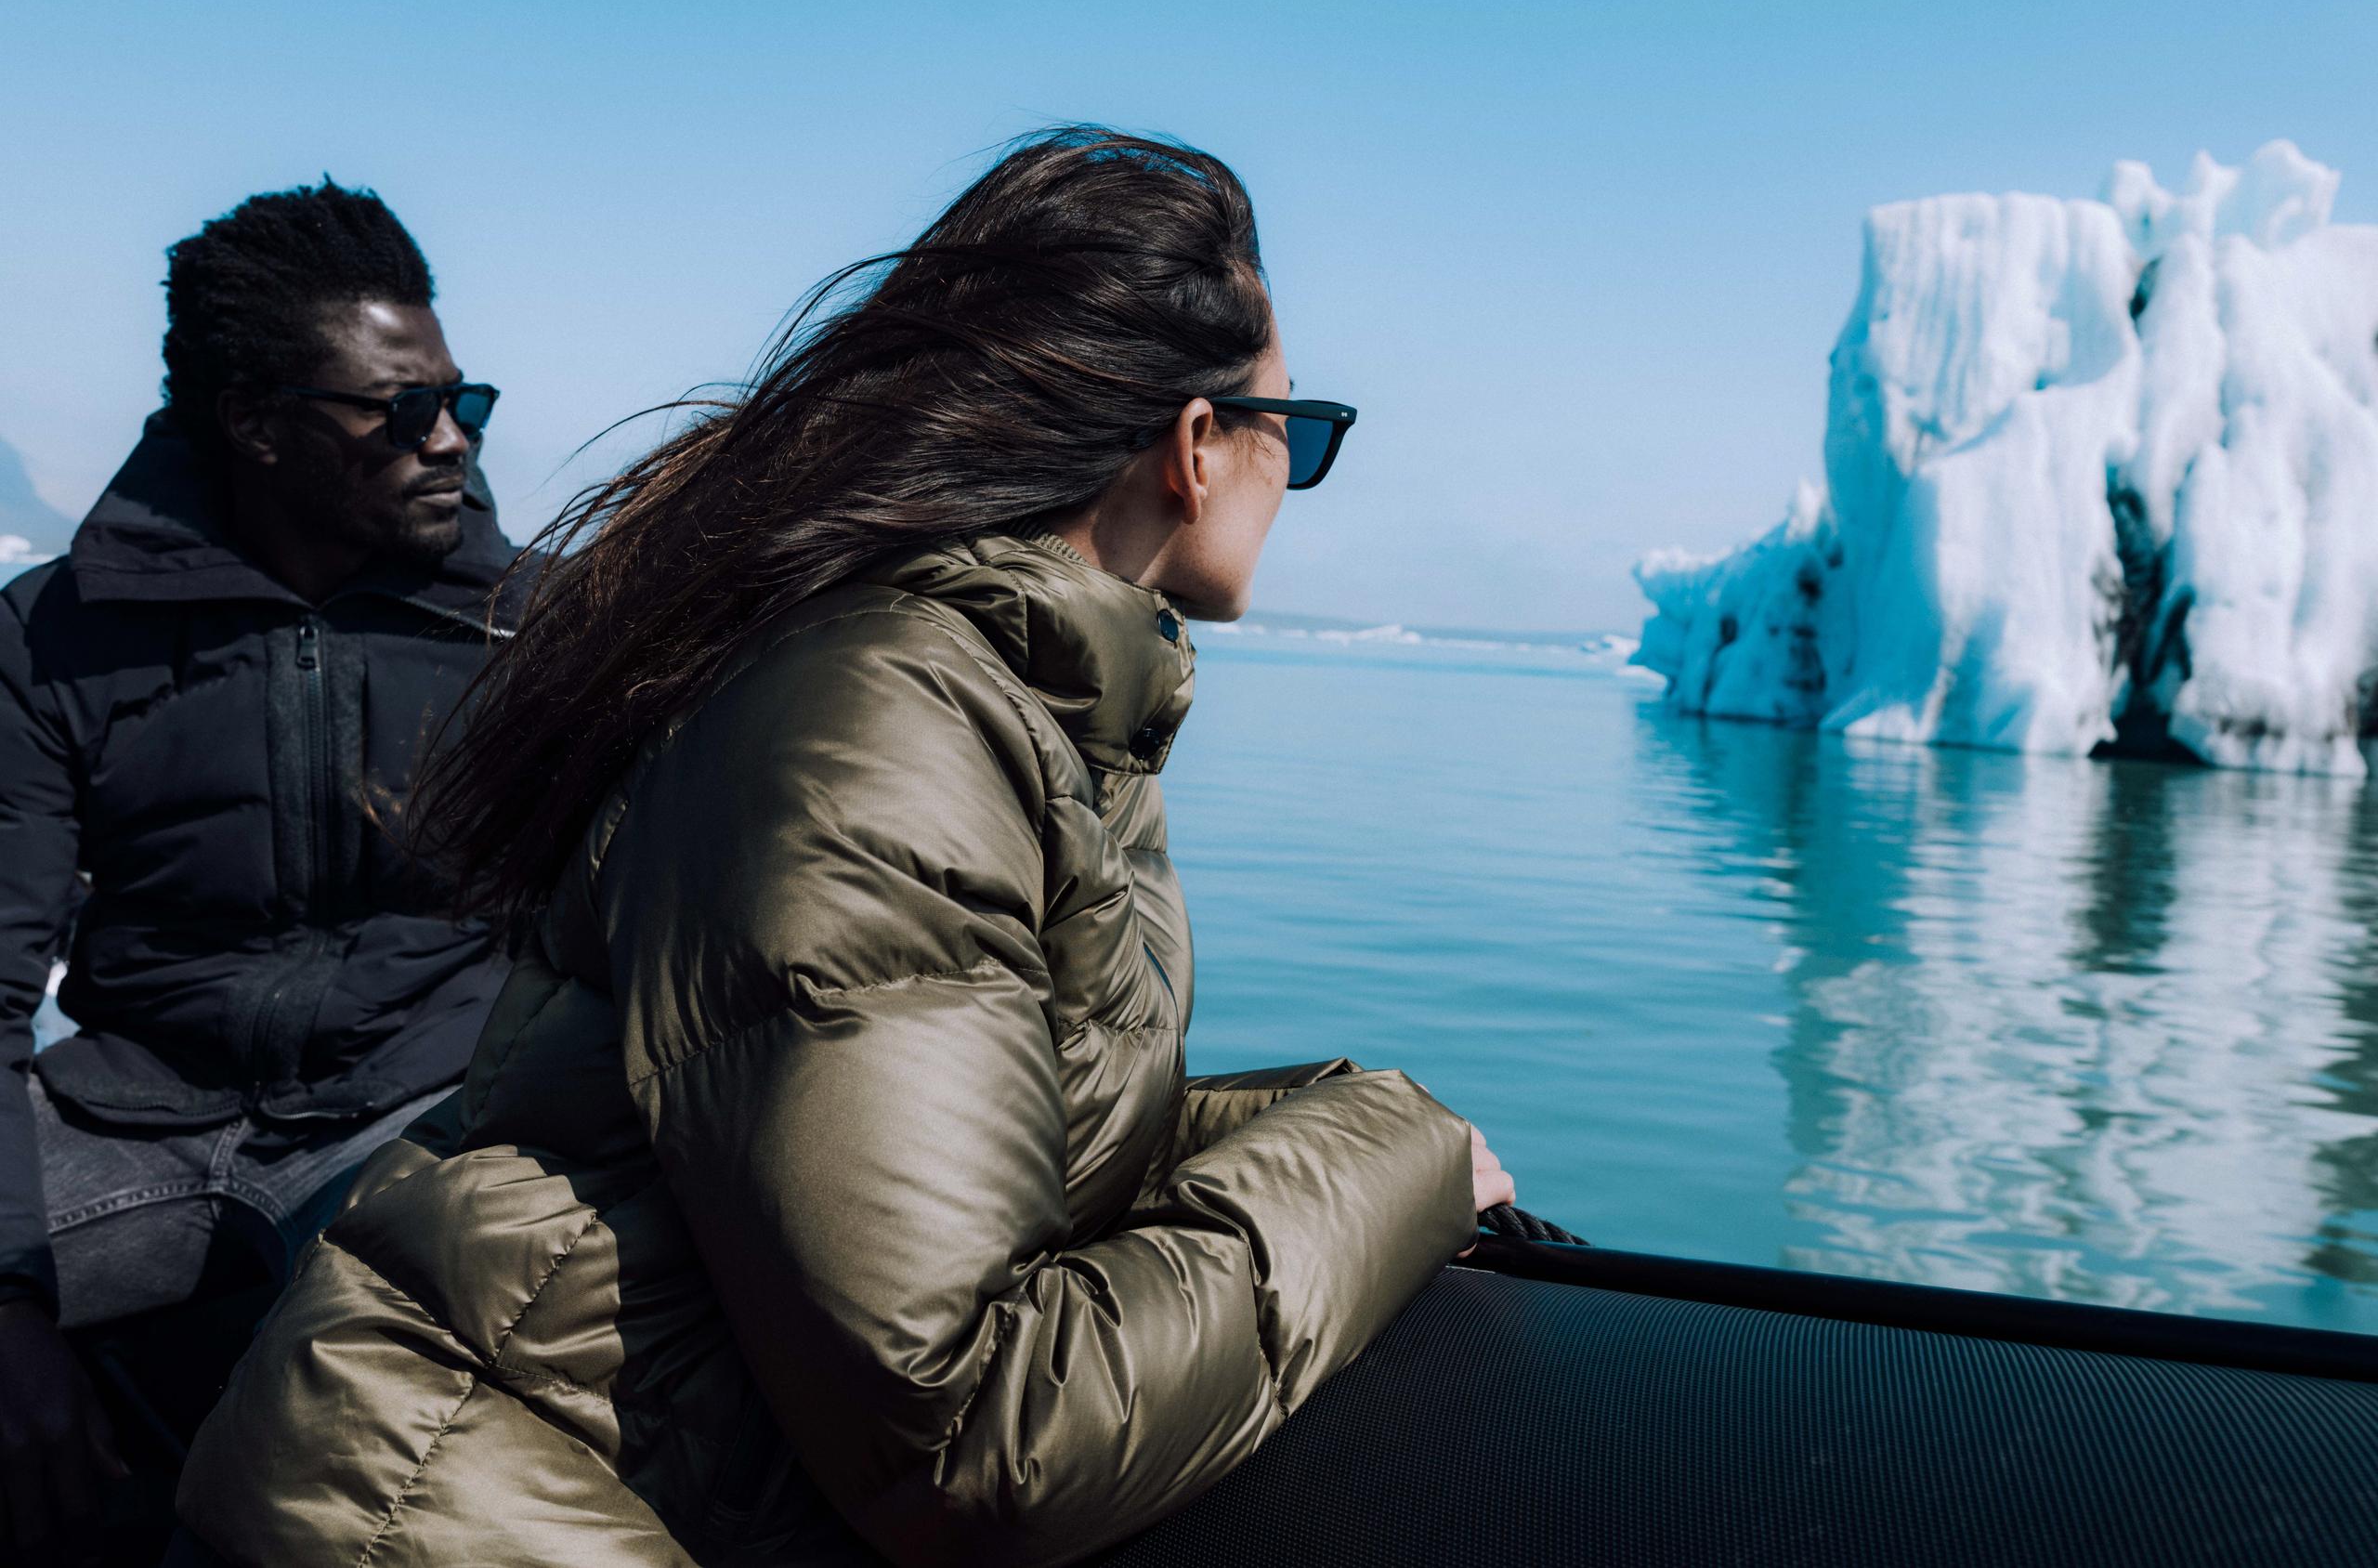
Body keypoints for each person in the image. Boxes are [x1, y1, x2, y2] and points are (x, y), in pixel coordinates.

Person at [176, 129, 1516, 1568]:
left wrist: (1342, 1122)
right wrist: (1390, 1158)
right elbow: (974, 1445)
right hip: (447, 1516)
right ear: (1197, 447)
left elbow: (1011, 1132)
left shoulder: (1007, 696)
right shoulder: (882, 722)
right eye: (1294, 434)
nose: (1290, 477)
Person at [0, 182, 528, 1563]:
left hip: (412, 1114)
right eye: (401, 411)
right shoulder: (51, 639)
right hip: (134, 1122)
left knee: (363, 1444)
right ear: (256, 428)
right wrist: (6, 1308)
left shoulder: (531, 632)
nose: (450, 443)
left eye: (463, 403)